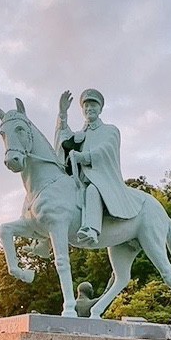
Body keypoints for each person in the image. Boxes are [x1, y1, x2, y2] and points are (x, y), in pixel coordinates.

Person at [53, 88, 143, 246]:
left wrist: (84, 157)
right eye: (86, 106)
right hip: (78, 181)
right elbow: (64, 139)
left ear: (100, 108)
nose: (89, 109)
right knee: (57, 198)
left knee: (92, 190)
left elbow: (107, 149)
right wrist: (62, 114)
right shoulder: (80, 134)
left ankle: (91, 229)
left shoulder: (110, 130)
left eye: (93, 105)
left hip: (101, 180)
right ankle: (44, 239)